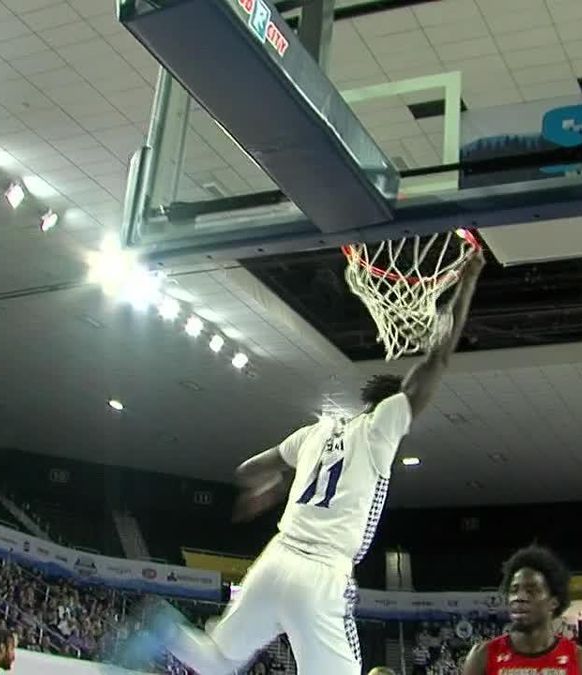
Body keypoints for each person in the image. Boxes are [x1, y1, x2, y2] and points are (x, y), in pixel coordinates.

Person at [125, 251, 485, 674]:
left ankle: (166, 629)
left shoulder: (314, 432)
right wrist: (468, 282)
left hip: (275, 557)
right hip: (321, 572)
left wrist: (272, 488)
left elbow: (248, 471)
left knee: (218, 663)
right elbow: (436, 360)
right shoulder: (379, 429)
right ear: (391, 406)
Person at [461, 545, 582, 675]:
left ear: (554, 602)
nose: (519, 597)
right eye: (514, 590)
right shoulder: (482, 657)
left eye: (531, 591)